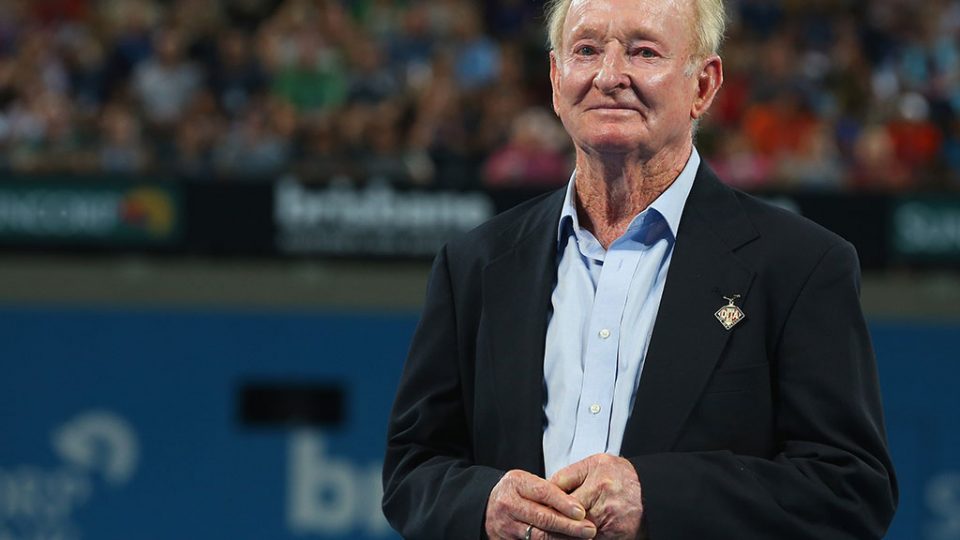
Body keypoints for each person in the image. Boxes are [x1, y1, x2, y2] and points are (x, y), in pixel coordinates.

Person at [382, 0, 898, 538]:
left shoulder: (801, 266)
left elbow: (850, 489)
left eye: (643, 51)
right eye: (586, 51)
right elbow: (413, 468)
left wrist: (654, 498)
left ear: (704, 84)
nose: (609, 76)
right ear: (557, 79)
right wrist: (483, 505)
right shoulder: (474, 264)